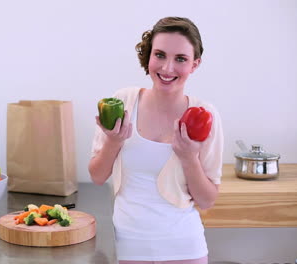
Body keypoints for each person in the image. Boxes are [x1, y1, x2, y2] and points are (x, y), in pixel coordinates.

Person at [89, 17, 224, 264]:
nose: (167, 68)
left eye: (181, 59)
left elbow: (206, 200)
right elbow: (97, 177)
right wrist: (113, 142)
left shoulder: (205, 114)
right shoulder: (122, 102)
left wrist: (188, 158)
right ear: (148, 56)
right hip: (128, 246)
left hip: (185, 248)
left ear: (195, 64)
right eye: (159, 55)